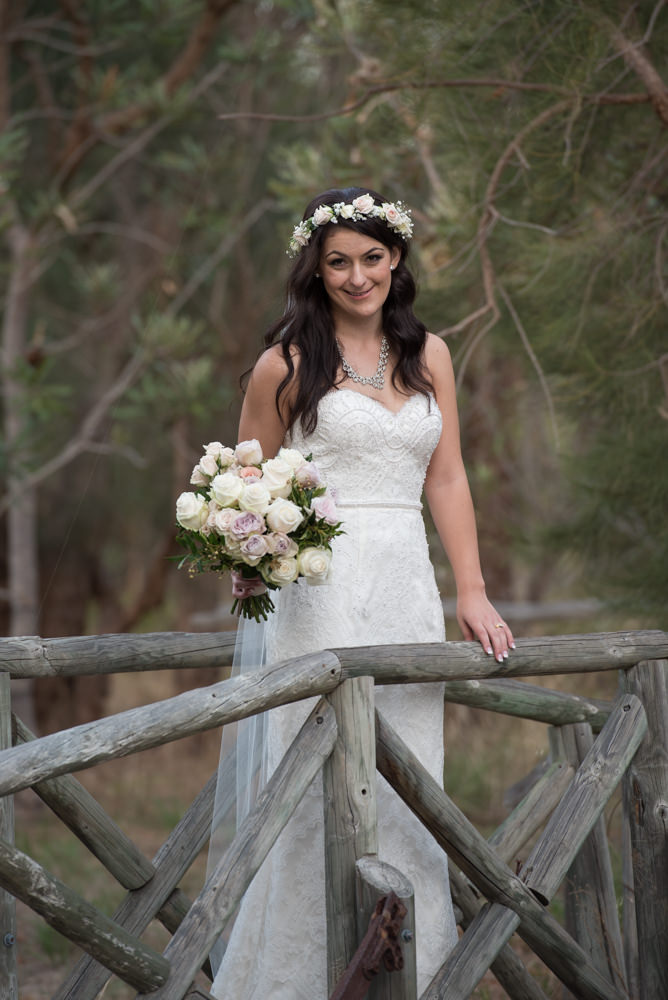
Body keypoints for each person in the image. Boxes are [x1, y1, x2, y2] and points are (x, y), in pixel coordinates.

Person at [210, 186, 514, 998]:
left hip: (408, 587)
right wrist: (249, 552)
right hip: (325, 593)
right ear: (316, 265)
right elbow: (247, 486)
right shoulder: (286, 364)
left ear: (397, 260)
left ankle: (413, 978)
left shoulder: (431, 356)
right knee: (321, 784)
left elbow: (446, 478)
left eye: (371, 258)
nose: (356, 276)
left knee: (413, 785)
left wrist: (472, 592)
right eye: (338, 261)